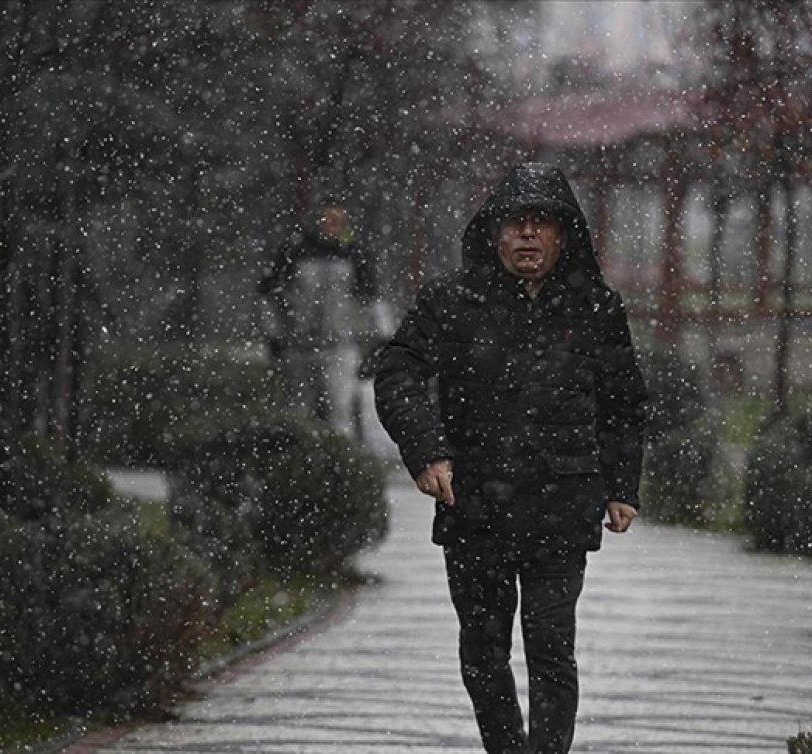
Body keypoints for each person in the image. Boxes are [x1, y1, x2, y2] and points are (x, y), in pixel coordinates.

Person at [374, 163, 647, 753]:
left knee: (552, 649)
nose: (527, 234)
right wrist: (426, 453)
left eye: (541, 224)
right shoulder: (450, 302)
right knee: (483, 651)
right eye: (516, 223)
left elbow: (624, 401)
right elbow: (397, 373)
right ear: (493, 233)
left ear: (563, 235)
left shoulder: (595, 308)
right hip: (474, 506)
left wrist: (622, 484)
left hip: (561, 506)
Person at [258, 198, 381, 437]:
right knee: (296, 415)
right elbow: (268, 296)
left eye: (338, 221)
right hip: (298, 348)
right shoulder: (294, 251)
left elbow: (372, 301)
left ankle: (342, 465)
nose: (332, 226)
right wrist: (274, 335)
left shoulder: (354, 254)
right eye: (327, 220)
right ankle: (298, 466)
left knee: (340, 413)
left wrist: (381, 340)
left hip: (340, 347)